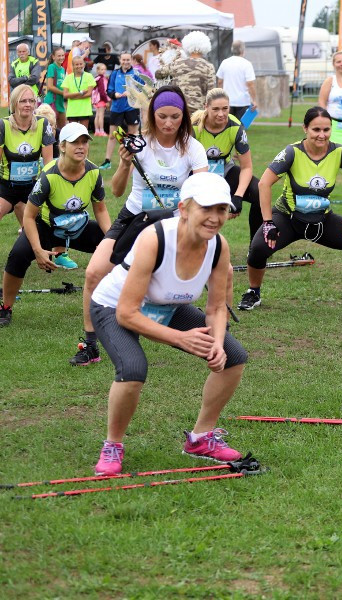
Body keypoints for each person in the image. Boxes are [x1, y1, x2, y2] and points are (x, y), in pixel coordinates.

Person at [90, 172, 247, 476]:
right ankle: (113, 444)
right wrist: (179, 338)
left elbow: (216, 307)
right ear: (184, 209)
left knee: (233, 357)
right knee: (133, 368)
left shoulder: (218, 246)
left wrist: (216, 343)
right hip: (114, 306)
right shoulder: (156, 238)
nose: (215, 218)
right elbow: (127, 313)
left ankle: (201, 439)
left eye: (221, 209)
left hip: (166, 306)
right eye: (206, 208)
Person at [75, 86, 207, 367]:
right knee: (94, 272)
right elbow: (117, 191)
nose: (168, 123)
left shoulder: (193, 148)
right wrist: (124, 164)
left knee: (169, 280)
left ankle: (206, 327)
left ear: (184, 116)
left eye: (175, 117)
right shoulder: (139, 144)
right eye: (162, 116)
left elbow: (202, 190)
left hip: (174, 221)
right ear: (152, 115)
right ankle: (90, 345)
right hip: (134, 216)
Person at [238, 106, 342, 311]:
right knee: (258, 248)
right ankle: (253, 291)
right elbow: (264, 184)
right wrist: (268, 222)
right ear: (305, 129)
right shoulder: (292, 152)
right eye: (316, 129)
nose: (321, 135)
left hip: (322, 221)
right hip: (288, 219)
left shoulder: (339, 152)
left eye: (326, 130)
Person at [0, 123, 109, 327]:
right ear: (63, 146)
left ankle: (118, 303)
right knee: (18, 255)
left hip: (77, 227)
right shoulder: (49, 175)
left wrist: (110, 239)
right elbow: (29, 217)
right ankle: (5, 307)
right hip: (46, 228)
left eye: (84, 142)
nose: (81, 146)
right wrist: (38, 250)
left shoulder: (94, 172)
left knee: (119, 247)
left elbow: (101, 210)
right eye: (75, 142)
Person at [193, 88, 261, 238]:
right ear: (206, 107)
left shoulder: (235, 127)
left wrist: (238, 196)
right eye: (215, 109)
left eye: (225, 108)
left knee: (259, 191)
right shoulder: (193, 127)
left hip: (224, 171)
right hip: (196, 174)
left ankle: (256, 246)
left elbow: (246, 167)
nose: (221, 114)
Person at [0, 85, 56, 241]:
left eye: (31, 101)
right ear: (14, 103)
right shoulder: (3, 125)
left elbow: (48, 164)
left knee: (47, 225)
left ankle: (56, 252)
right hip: (7, 187)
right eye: (23, 101)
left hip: (33, 187)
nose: (28, 105)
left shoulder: (43, 124)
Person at [154, 31, 217, 114]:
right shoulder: (209, 67)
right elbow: (211, 93)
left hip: (178, 107)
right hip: (199, 111)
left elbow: (158, 74)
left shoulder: (177, 63)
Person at [101, 52, 143, 170]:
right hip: (117, 108)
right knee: (112, 135)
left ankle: (133, 161)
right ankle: (107, 161)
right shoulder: (115, 73)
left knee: (132, 136)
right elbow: (109, 90)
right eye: (123, 60)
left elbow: (142, 88)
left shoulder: (136, 73)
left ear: (131, 60)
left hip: (132, 108)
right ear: (120, 60)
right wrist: (114, 94)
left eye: (128, 60)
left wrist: (132, 92)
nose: (126, 62)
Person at [216, 40, 258, 120]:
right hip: (243, 102)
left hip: (227, 101)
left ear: (232, 49)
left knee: (227, 124)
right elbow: (250, 84)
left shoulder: (225, 62)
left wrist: (220, 96)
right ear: (243, 50)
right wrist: (254, 100)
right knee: (241, 125)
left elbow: (220, 81)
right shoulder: (247, 64)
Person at [60, 55, 96, 128]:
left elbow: (89, 93)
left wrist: (73, 97)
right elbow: (65, 95)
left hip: (84, 110)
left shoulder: (89, 76)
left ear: (84, 64)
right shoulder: (68, 78)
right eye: (76, 64)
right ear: (73, 66)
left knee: (84, 132)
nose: (79, 66)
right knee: (73, 132)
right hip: (72, 110)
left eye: (80, 64)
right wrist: (80, 93)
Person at [43, 47, 68, 130]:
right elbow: (50, 86)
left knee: (62, 130)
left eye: (62, 55)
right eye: (59, 56)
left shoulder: (63, 69)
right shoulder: (52, 67)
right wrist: (63, 93)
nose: (61, 57)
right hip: (52, 101)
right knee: (51, 129)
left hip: (60, 102)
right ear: (53, 57)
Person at [92, 63, 110, 137]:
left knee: (97, 115)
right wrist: (106, 101)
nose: (104, 71)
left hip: (96, 99)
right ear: (98, 70)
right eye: (102, 69)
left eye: (105, 69)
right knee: (101, 116)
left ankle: (97, 131)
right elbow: (102, 91)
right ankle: (101, 131)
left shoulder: (97, 78)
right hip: (101, 99)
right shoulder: (101, 79)